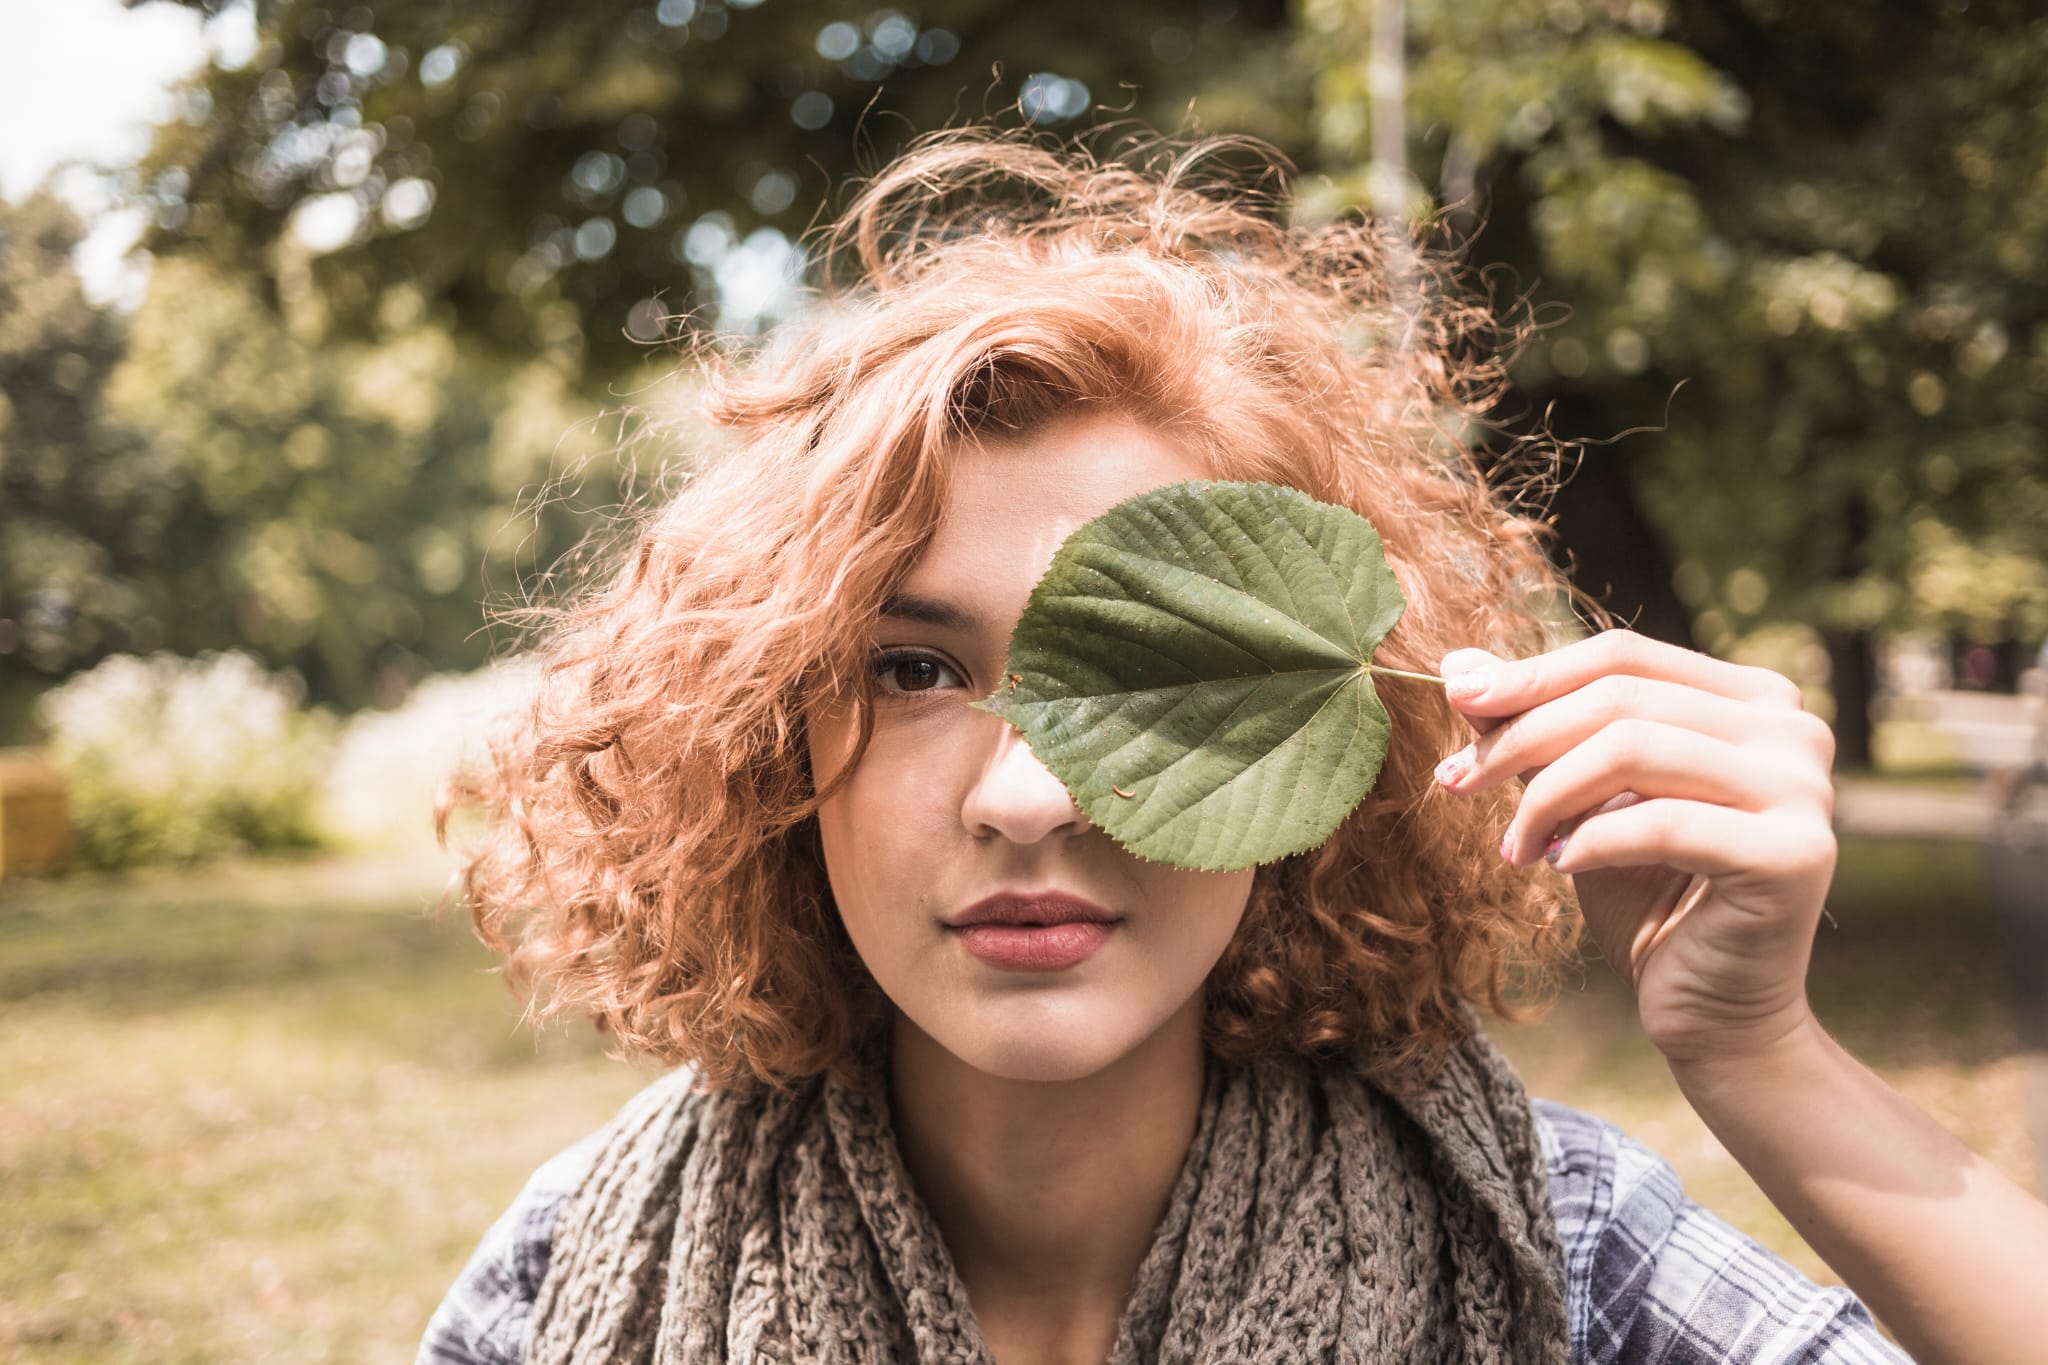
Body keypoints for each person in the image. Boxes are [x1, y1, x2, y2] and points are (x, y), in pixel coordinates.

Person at [418, 129, 2047, 1365]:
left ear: (1329, 732)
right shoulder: (574, 1275)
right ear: (766, 734)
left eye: (1159, 665)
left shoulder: (1548, 1247)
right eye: (914, 667)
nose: (1029, 791)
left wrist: (1768, 1057)